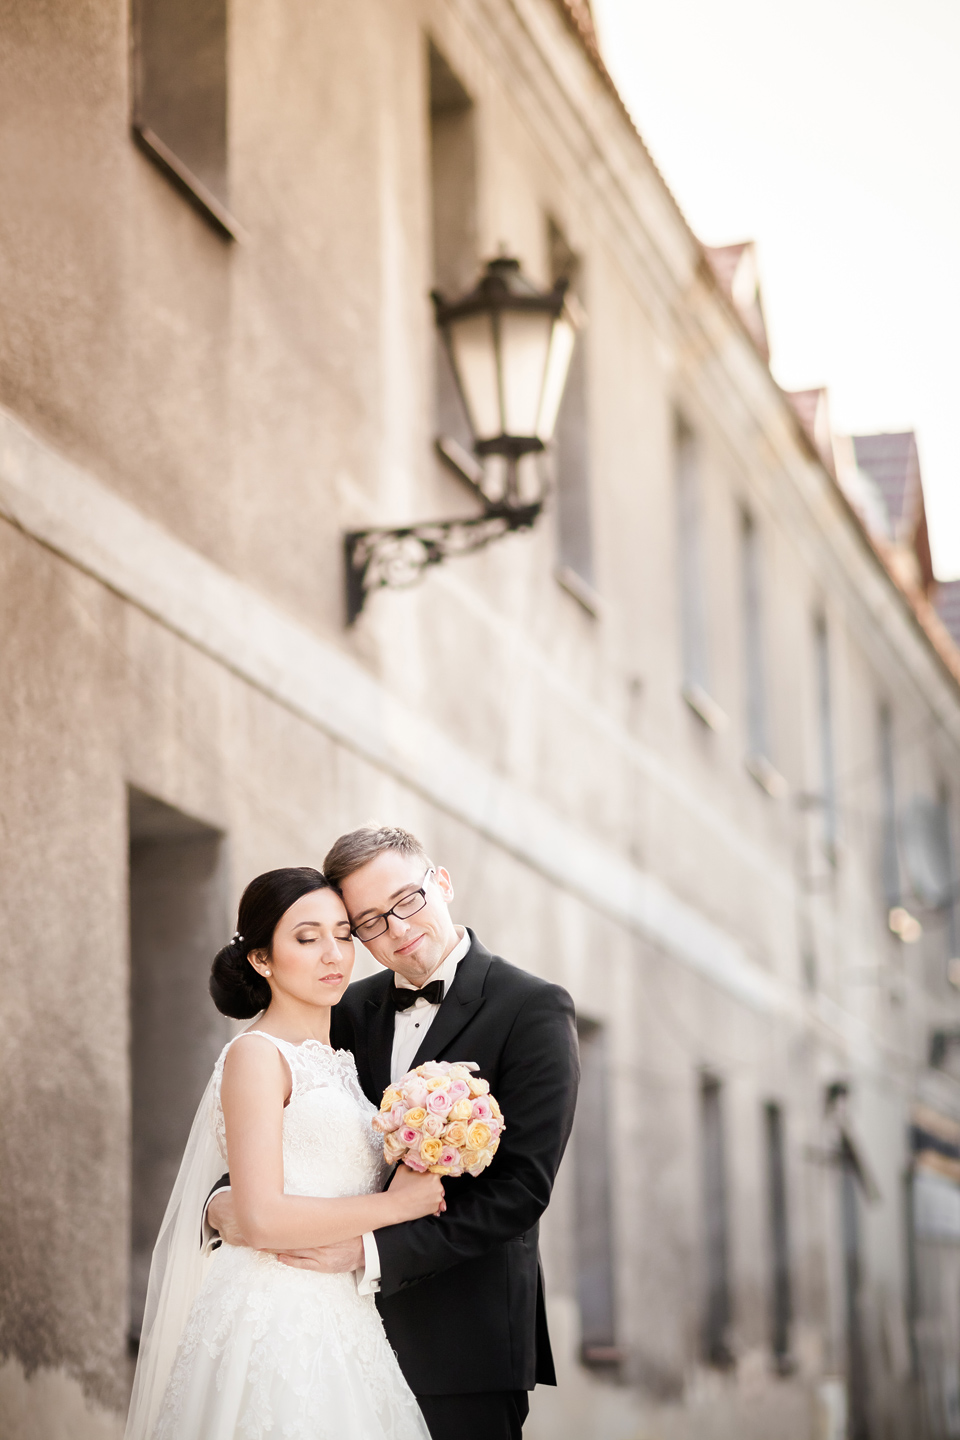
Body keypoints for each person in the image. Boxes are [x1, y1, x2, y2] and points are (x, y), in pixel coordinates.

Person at [209, 827, 580, 1440]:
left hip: (463, 1341)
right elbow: (284, 1127)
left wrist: (369, 1253)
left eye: (408, 900)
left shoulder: (533, 1007)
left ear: (442, 882)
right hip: (326, 1335)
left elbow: (520, 1189)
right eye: (370, 922)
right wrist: (220, 1203)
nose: (399, 930)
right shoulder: (345, 1007)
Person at [125, 866, 438, 1440]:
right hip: (274, 1312)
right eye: (306, 936)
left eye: (343, 934)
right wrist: (401, 1205)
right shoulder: (256, 1056)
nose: (333, 955)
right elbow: (264, 1217)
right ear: (262, 960)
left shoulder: (343, 1065)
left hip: (344, 1314)